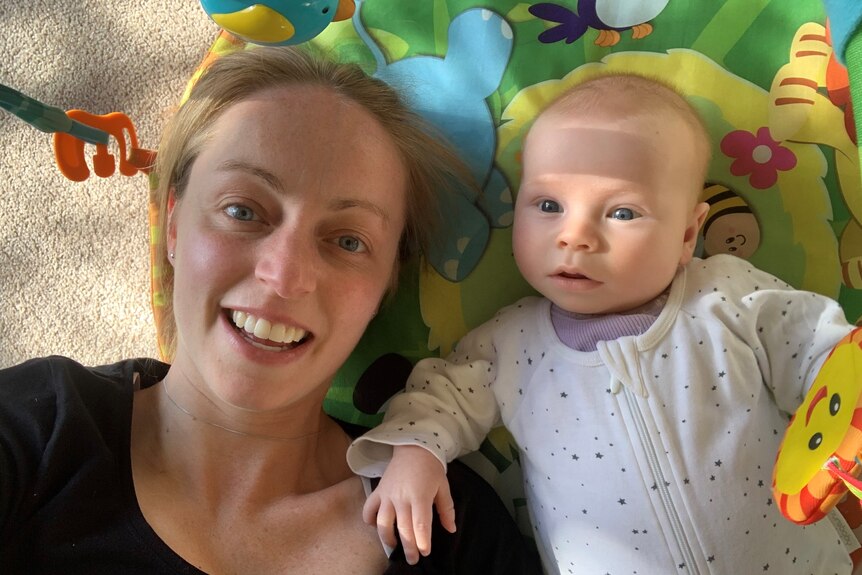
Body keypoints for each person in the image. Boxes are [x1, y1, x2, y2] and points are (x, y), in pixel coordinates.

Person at [0, 45, 542, 574]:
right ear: (172, 223)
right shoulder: (39, 426)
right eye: (243, 210)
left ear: (386, 286)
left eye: (348, 241)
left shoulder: (448, 526)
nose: (284, 277)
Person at [346, 73, 861, 573]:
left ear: (688, 234)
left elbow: (819, 349)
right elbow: (441, 398)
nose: (575, 236)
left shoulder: (726, 295)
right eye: (548, 205)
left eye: (621, 213)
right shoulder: (512, 344)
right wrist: (416, 452)